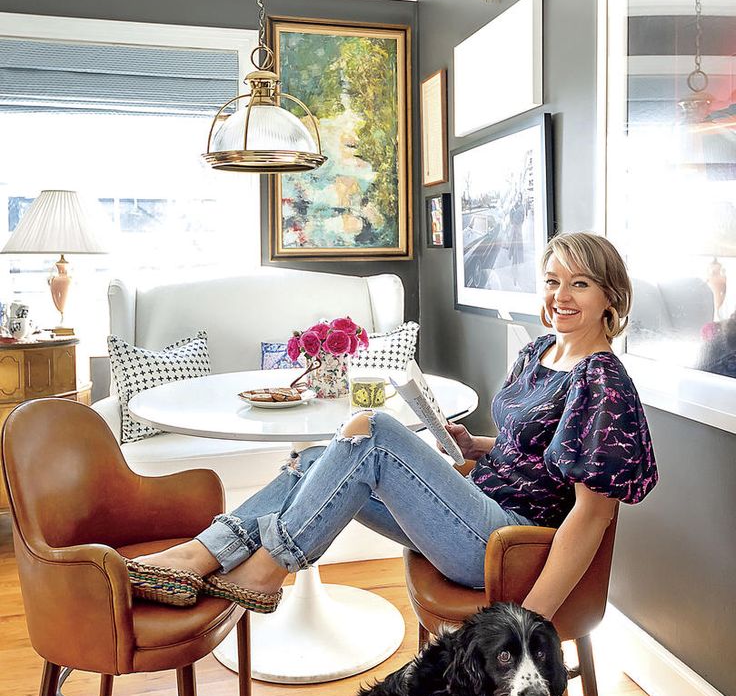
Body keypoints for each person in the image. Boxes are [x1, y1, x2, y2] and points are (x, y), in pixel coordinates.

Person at [128, 232, 658, 623]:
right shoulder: (539, 350)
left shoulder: (604, 383)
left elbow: (591, 517)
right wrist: (478, 446)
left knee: (371, 432)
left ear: (610, 297)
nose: (561, 296)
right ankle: (204, 553)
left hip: (506, 547)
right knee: (319, 456)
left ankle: (269, 567)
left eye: (580, 284)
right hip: (476, 508)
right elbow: (540, 452)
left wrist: (529, 624)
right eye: (552, 281)